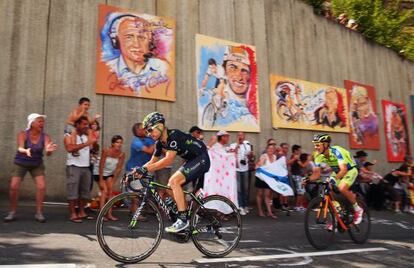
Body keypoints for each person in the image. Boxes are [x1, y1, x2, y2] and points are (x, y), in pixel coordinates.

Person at [135, 112, 210, 233]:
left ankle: (183, 219)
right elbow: (152, 161)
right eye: (147, 132)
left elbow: (167, 160)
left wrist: (145, 169)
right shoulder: (159, 143)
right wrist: (136, 172)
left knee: (174, 181)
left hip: (202, 158)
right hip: (192, 160)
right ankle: (188, 215)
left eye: (150, 130)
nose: (149, 134)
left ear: (160, 126)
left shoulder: (174, 136)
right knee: (169, 187)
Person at [4, 114, 58, 223]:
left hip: (36, 163)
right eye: (39, 121)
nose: (42, 124)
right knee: (13, 186)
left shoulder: (45, 136)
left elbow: (47, 152)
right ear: (32, 123)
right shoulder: (23, 134)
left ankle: (39, 213)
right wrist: (25, 151)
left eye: (43, 122)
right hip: (21, 162)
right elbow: (20, 147)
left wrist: (49, 150)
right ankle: (12, 212)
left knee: (42, 186)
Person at [105, 15, 169, 94]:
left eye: (141, 37)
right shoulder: (107, 68)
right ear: (115, 40)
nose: (136, 44)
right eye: (129, 37)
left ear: (150, 41)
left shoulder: (164, 68)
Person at [310, 133, 364, 225]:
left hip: (350, 170)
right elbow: (316, 175)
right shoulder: (318, 156)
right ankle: (338, 214)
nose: (316, 147)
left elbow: (344, 170)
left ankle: (358, 209)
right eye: (315, 144)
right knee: (328, 190)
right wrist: (307, 179)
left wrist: (333, 179)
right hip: (337, 171)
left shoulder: (336, 151)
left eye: (318, 144)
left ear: (326, 144)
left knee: (342, 188)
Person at [64, 116, 97, 223]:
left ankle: (82, 212)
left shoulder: (87, 135)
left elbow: (94, 148)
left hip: (85, 166)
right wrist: (86, 144)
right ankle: (73, 214)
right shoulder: (68, 135)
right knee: (73, 191)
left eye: (87, 124)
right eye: (83, 124)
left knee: (85, 192)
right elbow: (70, 148)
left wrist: (94, 142)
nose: (86, 126)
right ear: (77, 125)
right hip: (73, 166)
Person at [96, 135, 125, 221]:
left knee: (111, 191)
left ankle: (109, 214)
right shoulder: (106, 151)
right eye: (117, 142)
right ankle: (101, 214)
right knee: (104, 191)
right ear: (113, 143)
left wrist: (113, 180)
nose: (119, 144)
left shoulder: (121, 154)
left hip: (110, 173)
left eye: (120, 143)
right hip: (99, 172)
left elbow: (119, 168)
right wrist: (101, 179)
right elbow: (101, 165)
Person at [230, 132, 253, 216]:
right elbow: (232, 153)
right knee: (239, 189)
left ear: (244, 137)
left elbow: (250, 157)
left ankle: (245, 205)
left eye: (242, 135)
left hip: (245, 169)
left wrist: (250, 155)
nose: (240, 137)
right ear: (236, 137)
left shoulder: (247, 145)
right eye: (238, 135)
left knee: (245, 189)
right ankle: (240, 207)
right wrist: (237, 145)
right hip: (236, 169)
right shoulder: (233, 145)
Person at [255, 144, 277, 219]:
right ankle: (260, 211)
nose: (270, 150)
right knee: (260, 194)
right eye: (269, 149)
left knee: (267, 195)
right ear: (266, 149)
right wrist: (260, 164)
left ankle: (269, 212)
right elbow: (259, 164)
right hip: (260, 177)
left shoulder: (274, 157)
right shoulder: (264, 156)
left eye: (272, 149)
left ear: (274, 150)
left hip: (268, 178)